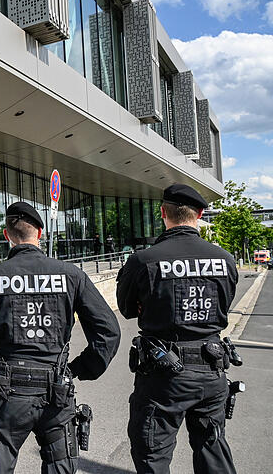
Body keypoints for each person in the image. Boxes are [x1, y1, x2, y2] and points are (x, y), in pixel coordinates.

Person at [0, 202, 121, 474]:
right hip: (56, 393)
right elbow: (108, 332)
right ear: (39, 233)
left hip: (8, 392)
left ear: (7, 235)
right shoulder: (72, 275)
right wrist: (78, 369)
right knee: (60, 466)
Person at [117, 183, 239, 474]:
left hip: (163, 376)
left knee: (152, 454)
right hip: (212, 368)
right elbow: (224, 304)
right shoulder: (225, 259)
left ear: (163, 213)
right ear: (199, 214)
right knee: (213, 447)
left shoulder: (143, 260)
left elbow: (126, 308)